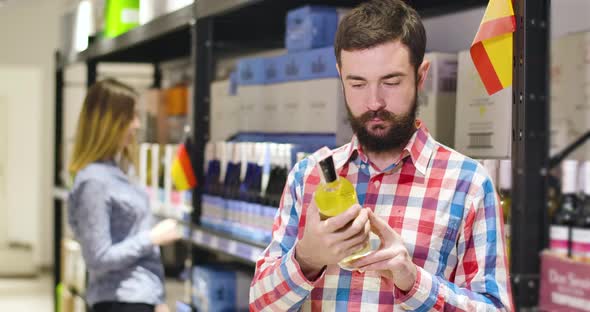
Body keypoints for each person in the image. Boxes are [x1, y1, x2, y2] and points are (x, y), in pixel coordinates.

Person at [249, 0, 513, 310]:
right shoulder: (307, 177)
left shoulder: (468, 185)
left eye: (391, 81)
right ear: (341, 76)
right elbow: (260, 305)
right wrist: (307, 258)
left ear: (420, 75)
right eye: (357, 83)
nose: (374, 101)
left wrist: (412, 281)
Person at [68, 79, 182, 312]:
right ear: (109, 122)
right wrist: (152, 238)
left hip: (137, 298)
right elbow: (98, 257)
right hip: (120, 302)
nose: (137, 125)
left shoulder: (115, 172)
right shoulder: (94, 182)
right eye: (131, 117)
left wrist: (155, 298)